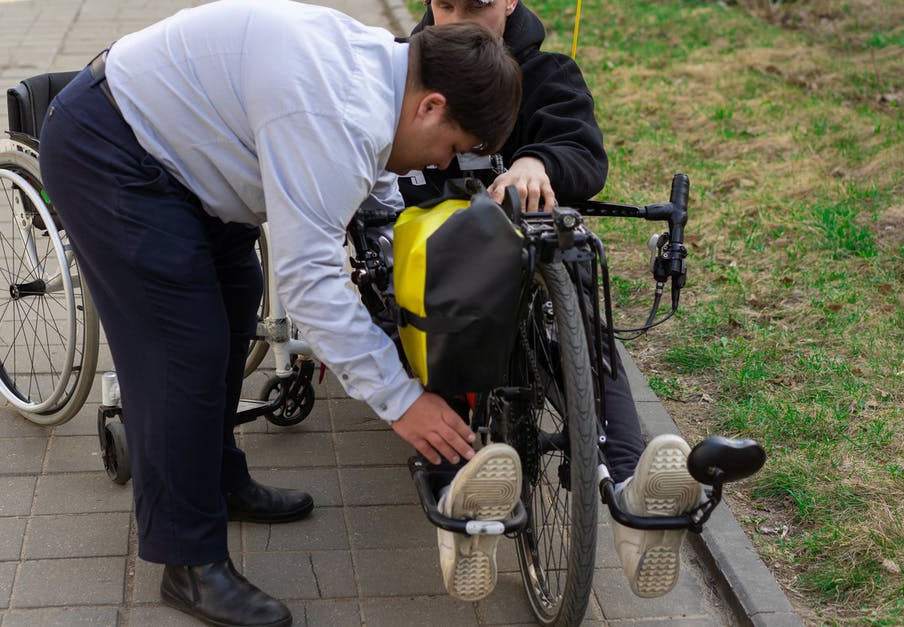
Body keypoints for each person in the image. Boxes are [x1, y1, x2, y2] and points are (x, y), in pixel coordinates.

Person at [37, 2, 523, 625]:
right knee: (182, 352)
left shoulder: (387, 70)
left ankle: (217, 480)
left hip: (187, 158)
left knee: (232, 315)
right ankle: (189, 563)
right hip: (110, 148)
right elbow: (311, 281)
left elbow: (359, 173)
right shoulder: (334, 111)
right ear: (430, 105)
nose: (440, 164)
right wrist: (400, 401)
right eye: (450, 147)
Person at [400, 0, 702, 602]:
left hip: (531, 255)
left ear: (510, 2)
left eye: (478, 5)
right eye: (445, 4)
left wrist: (537, 161)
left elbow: (584, 152)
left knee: (584, 304)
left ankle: (631, 480)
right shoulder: (408, 72)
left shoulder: (548, 73)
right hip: (440, 271)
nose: (459, 19)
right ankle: (454, 488)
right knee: (429, 293)